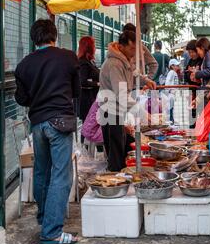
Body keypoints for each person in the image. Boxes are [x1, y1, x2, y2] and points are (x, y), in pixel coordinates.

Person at [15, 19, 80, 244]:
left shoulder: (23, 65)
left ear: (35, 39)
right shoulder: (68, 57)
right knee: (61, 175)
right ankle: (52, 232)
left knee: (42, 171)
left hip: (38, 124)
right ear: (54, 35)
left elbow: (21, 98)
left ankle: (45, 218)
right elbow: (76, 90)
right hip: (60, 122)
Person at [98, 31, 156, 171]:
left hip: (119, 110)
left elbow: (134, 74)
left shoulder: (124, 59)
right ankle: (116, 181)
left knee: (121, 147)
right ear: (122, 46)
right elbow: (121, 94)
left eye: (135, 49)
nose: (133, 52)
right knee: (116, 152)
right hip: (111, 112)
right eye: (131, 49)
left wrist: (145, 79)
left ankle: (121, 174)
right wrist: (141, 112)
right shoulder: (114, 64)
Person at [77, 36, 100, 143]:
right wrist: (98, 83)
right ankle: (85, 149)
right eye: (94, 45)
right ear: (89, 47)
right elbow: (83, 81)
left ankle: (88, 148)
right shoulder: (83, 62)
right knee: (88, 126)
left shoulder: (89, 61)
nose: (95, 48)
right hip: (87, 100)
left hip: (91, 98)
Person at [165, 58, 181, 123]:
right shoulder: (171, 72)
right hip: (171, 92)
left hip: (173, 92)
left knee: (172, 106)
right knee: (170, 107)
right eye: (176, 65)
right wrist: (169, 90)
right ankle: (171, 120)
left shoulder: (174, 73)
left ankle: (171, 119)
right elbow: (167, 82)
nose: (178, 66)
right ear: (172, 66)